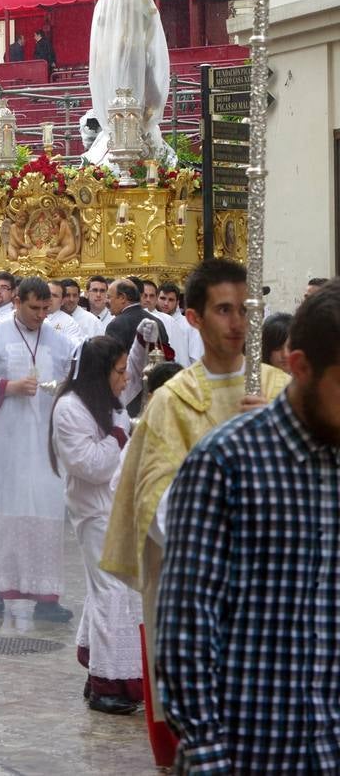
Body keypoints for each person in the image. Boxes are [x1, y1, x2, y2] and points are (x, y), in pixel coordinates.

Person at [100, 258, 289, 768]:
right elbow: (155, 508)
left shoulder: (281, 392)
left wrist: (279, 433)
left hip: (280, 589)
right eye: (224, 310)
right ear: (193, 318)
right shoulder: (175, 401)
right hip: (206, 588)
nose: (238, 323)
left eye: (247, 309)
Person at [156, 278, 340, 773]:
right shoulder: (228, 463)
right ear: (299, 366)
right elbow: (187, 633)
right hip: (254, 750)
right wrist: (210, 756)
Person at [0, 277, 73, 620]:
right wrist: (9, 386)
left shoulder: (60, 341)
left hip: (42, 440)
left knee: (45, 508)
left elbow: (74, 378)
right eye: (34, 308)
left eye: (45, 308)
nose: (41, 315)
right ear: (17, 302)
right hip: (1, 441)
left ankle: (46, 596)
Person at [49, 336, 142, 715]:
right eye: (118, 372)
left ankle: (100, 671)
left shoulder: (108, 400)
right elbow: (89, 465)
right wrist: (122, 436)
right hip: (94, 511)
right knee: (112, 592)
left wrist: (140, 343)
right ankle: (109, 684)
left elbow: (137, 377)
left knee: (114, 589)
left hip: (117, 506)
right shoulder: (70, 408)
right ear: (100, 373)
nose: (125, 379)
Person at [103, 278, 171, 414]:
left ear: (122, 298)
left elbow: (112, 364)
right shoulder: (157, 321)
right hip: (157, 397)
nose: (107, 302)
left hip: (128, 399)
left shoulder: (116, 325)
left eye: (109, 297)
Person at [156, 280, 203, 366]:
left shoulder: (189, 324)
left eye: (171, 300)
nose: (166, 303)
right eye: (163, 298)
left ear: (177, 302)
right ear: (156, 298)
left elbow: (196, 357)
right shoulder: (150, 320)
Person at [45, 280, 82, 346]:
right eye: (47, 294)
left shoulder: (70, 323)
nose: (50, 298)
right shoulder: (31, 316)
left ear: (62, 301)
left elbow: (73, 350)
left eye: (54, 296)